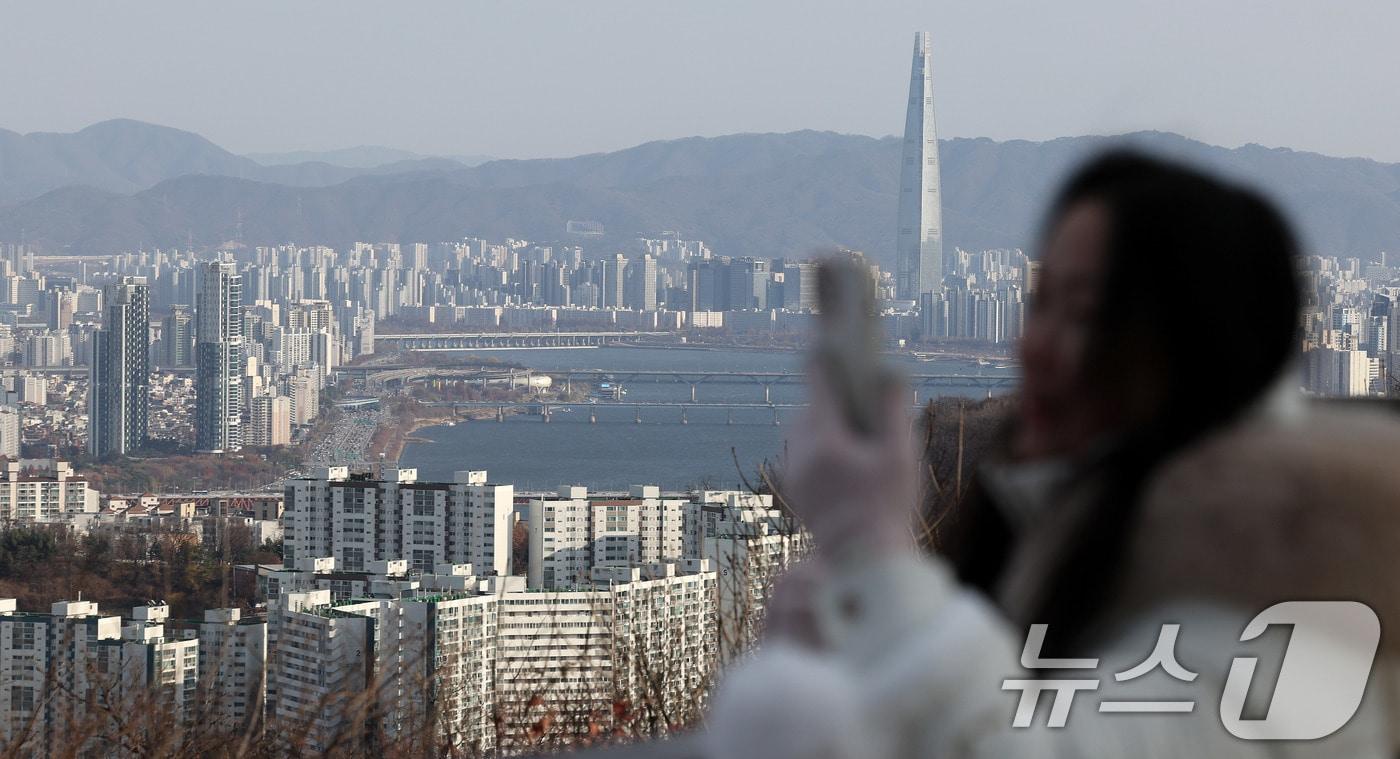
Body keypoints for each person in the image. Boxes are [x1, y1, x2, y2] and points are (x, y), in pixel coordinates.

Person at [705, 151, 1400, 758]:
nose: (1033, 345)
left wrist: (875, 555)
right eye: (1039, 305)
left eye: (1084, 315)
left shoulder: (1297, 622)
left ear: (1197, 350)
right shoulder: (1066, 547)